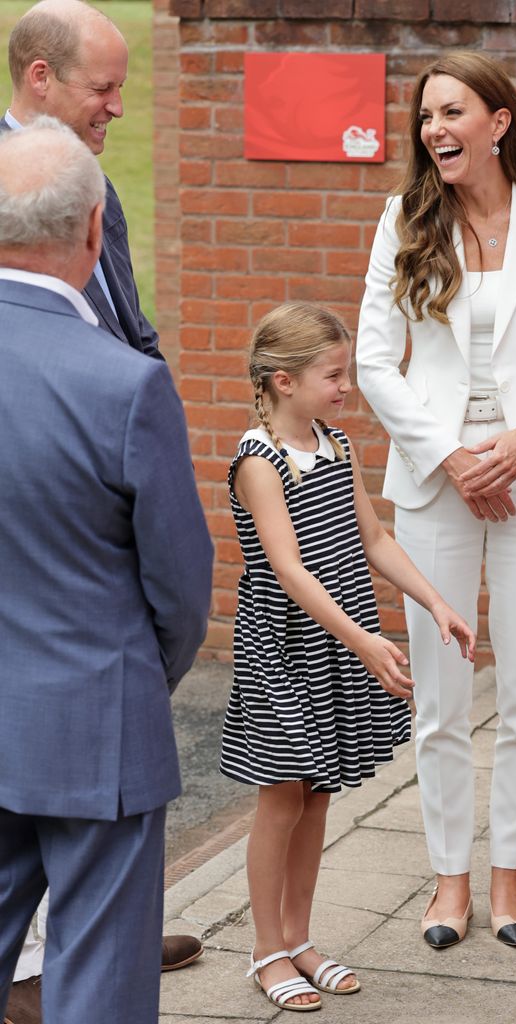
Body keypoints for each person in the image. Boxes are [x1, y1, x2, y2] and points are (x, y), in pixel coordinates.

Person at [356, 50, 516, 950]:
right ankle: (449, 880)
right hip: (434, 486)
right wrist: (455, 458)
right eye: (426, 116)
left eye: (452, 111)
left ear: (498, 122)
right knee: (442, 695)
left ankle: (510, 879)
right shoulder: (401, 219)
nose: (434, 130)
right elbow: (373, 363)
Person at [1, 3, 203, 1015]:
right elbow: (179, 588)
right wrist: (127, 671)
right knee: (101, 981)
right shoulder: (121, 390)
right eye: (101, 88)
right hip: (96, 704)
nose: (117, 107)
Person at [220, 302, 476, 1011]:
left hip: (336, 642)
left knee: (319, 789)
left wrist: (435, 601)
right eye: (332, 374)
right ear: (282, 381)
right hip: (284, 646)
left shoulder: (336, 444)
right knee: (281, 794)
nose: (346, 386)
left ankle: (300, 939)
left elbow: (374, 540)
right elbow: (290, 569)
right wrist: (363, 640)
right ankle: (266, 949)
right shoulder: (258, 460)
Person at [1, 0, 160, 358]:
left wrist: (155, 396)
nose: (118, 107)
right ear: (40, 77)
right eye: (102, 88)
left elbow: (131, 328)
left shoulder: (97, 186)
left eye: (120, 87)